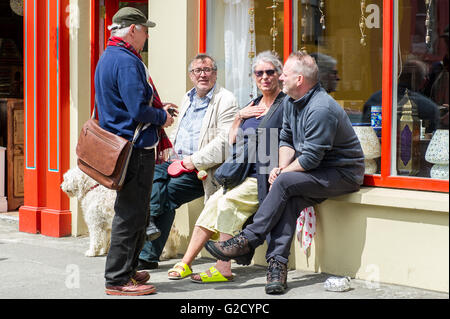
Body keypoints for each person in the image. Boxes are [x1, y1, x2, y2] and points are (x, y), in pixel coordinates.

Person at [205, 51, 365, 295]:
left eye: (285, 74)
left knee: (286, 182)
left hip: (342, 173)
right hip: (315, 171)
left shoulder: (321, 108)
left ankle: (247, 240)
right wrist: (280, 167)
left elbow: (311, 158)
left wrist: (283, 173)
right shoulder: (291, 101)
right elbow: (286, 139)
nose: (280, 78)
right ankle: (277, 266)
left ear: (299, 79)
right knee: (289, 196)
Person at [166, 51, 286, 282]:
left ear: (279, 75)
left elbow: (289, 141)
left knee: (227, 203)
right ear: (253, 77)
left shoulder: (285, 105)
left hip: (262, 176)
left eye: (270, 72)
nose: (264, 77)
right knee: (212, 202)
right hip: (241, 173)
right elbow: (232, 139)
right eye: (259, 73)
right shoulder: (253, 103)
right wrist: (240, 117)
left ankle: (223, 268)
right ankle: (186, 262)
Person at [95, 7, 175, 296]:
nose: (146, 36)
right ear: (132, 29)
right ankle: (117, 279)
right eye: (145, 30)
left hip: (123, 146)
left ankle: (127, 270)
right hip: (134, 148)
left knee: (137, 214)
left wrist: (156, 112)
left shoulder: (110, 56)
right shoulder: (128, 61)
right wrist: (162, 117)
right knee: (130, 215)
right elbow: (137, 109)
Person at [137, 54, 239, 270]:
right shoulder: (188, 98)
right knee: (149, 175)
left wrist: (190, 162)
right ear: (191, 75)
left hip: (204, 168)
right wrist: (169, 149)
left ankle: (149, 238)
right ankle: (149, 242)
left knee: (167, 193)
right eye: (197, 70)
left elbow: (224, 143)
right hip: (176, 160)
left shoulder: (226, 99)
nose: (203, 74)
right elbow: (182, 133)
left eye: (207, 70)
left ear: (215, 73)